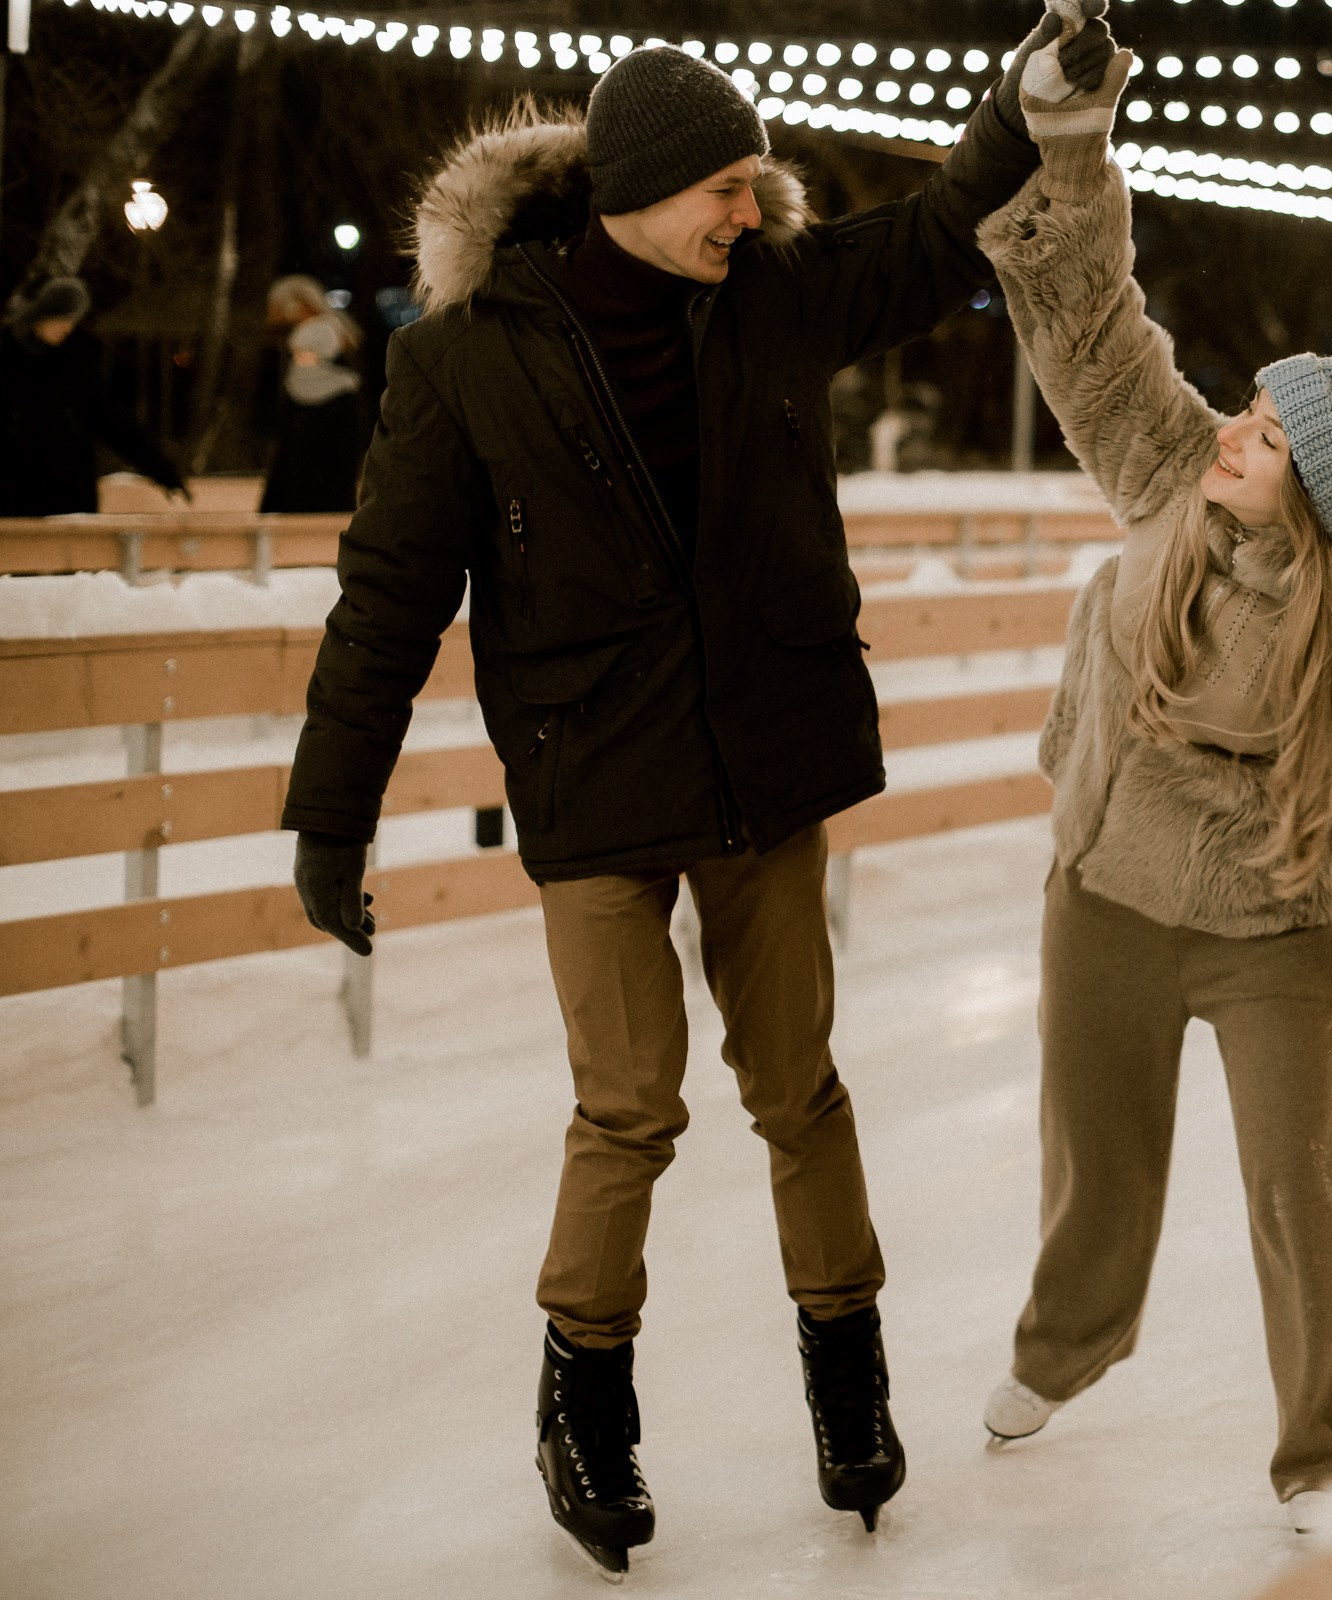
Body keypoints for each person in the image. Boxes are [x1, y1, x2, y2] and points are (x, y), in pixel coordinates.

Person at [276, 6, 1119, 1578]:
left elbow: (938, 230)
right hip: (595, 773)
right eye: (726, 185)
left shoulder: (776, 295)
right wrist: (334, 813)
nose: (752, 207)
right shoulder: (463, 360)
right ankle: (584, 1407)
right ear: (641, 190)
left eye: (753, 181)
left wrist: (1023, 108)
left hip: (762, 760)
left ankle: (849, 1383)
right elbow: (387, 596)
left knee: (798, 1086)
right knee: (629, 1103)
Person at [971, 30, 1332, 1534]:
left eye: (1271, 437)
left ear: (1320, 491)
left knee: (1297, 1194)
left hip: (1267, 929)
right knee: (1099, 1173)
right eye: (1251, 408)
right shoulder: (1169, 477)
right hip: (1107, 893)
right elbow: (1098, 334)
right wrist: (1072, 145)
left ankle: (1321, 1454)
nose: (1236, 432)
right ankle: (1064, 1349)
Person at [0, 276, 187, 515]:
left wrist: (163, 470)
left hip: (70, 503)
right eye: (62, 318)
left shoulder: (74, 366)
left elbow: (116, 425)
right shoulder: (8, 361)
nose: (67, 327)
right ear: (43, 314)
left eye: (72, 320)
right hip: (14, 502)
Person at [258, 274, 370, 513]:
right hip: (337, 419)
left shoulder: (312, 333)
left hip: (313, 424)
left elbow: (304, 382)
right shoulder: (337, 331)